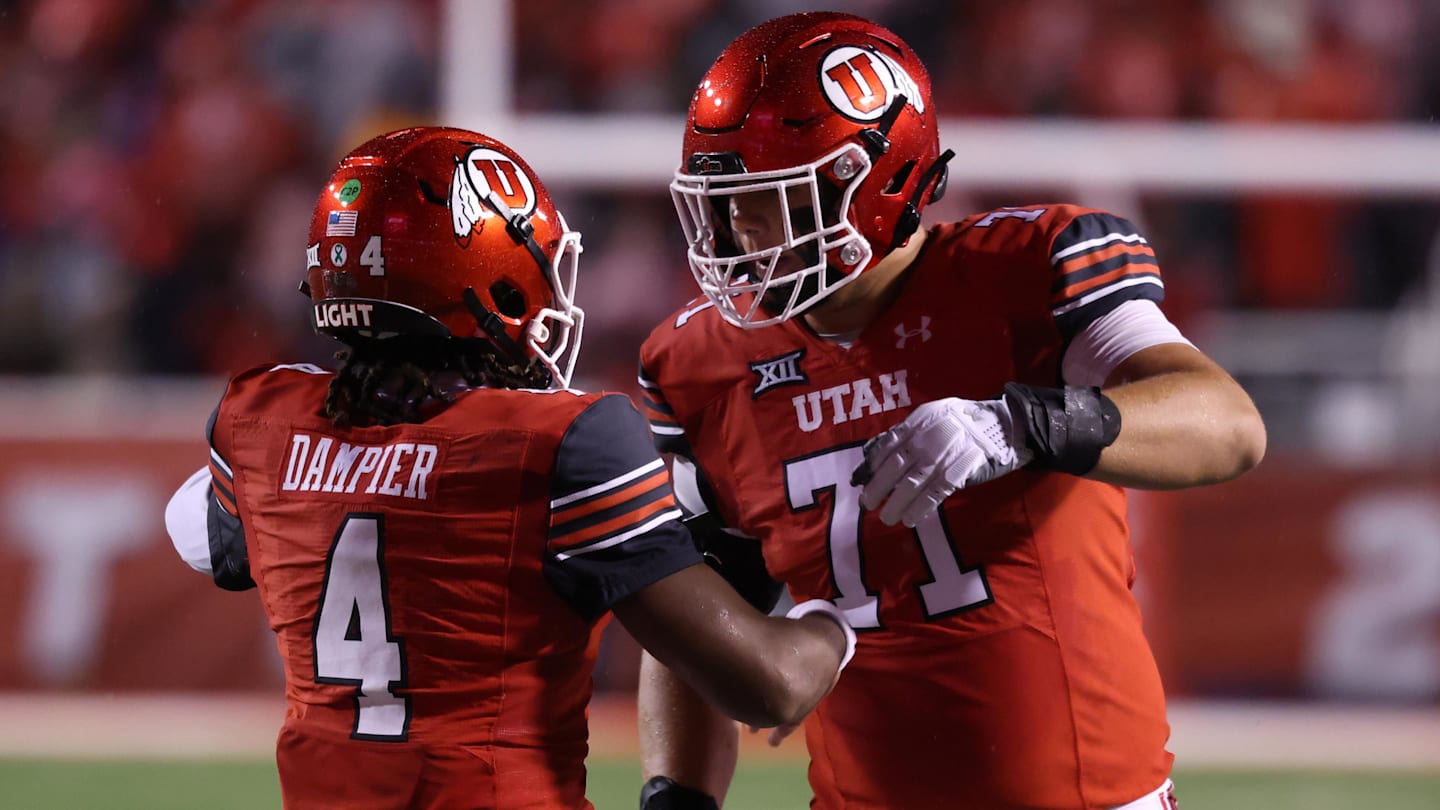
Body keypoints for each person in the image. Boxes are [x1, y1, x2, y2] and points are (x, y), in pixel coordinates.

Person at [636, 12, 1265, 810]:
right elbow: (698, 614)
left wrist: (1022, 426)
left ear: (870, 183)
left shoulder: (1031, 269)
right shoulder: (698, 361)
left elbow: (1229, 424)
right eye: (721, 202)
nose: (733, 232)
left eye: (766, 200)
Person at [163, 126, 855, 810]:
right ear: (484, 273)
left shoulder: (256, 421)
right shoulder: (563, 441)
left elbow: (211, 542)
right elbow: (767, 686)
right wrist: (837, 615)